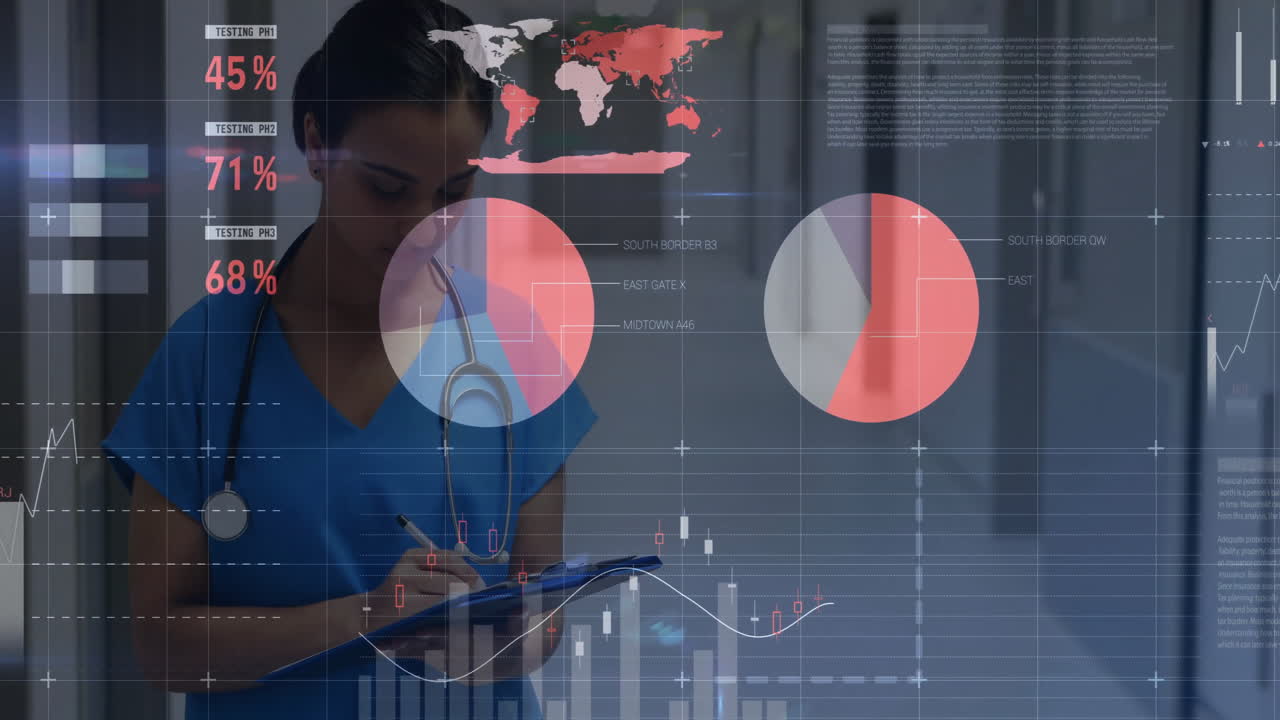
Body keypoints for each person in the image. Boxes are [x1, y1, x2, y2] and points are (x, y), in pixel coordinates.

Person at [101, 1, 596, 717]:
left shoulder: (515, 347)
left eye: (453, 193)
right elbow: (164, 650)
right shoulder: (206, 359)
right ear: (316, 144)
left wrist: (498, 642)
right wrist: (366, 620)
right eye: (387, 188)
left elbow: (541, 621)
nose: (422, 227)